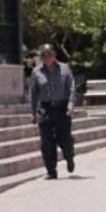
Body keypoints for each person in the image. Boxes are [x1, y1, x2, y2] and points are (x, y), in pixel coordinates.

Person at [30, 44, 76, 180]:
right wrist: (33, 112)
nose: (47, 57)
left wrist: (70, 105)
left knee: (65, 139)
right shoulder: (36, 72)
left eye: (49, 54)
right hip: (44, 109)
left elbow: (71, 89)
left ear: (54, 55)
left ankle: (69, 157)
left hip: (62, 108)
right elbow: (33, 93)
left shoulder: (65, 69)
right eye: (44, 55)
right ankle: (51, 170)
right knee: (47, 142)